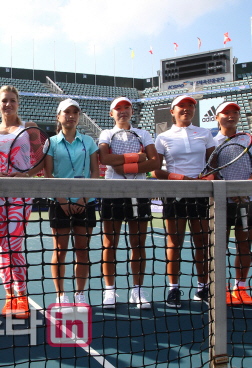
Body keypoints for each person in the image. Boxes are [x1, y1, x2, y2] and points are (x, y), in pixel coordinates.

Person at [0, 85, 42, 319]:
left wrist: (26, 174)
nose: (8, 104)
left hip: (21, 194)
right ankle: (10, 295)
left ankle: (21, 295)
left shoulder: (30, 129)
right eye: (4, 100)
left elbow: (42, 161)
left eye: (12, 100)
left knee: (12, 245)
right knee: (3, 246)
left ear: (19, 103)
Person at [152, 95, 215, 308]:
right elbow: (155, 170)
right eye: (181, 106)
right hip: (174, 193)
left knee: (202, 242)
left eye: (190, 106)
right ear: (172, 111)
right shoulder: (163, 137)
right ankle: (174, 289)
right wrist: (180, 178)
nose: (186, 109)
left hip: (200, 194)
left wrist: (208, 177)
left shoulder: (205, 134)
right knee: (174, 243)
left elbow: (213, 164)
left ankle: (202, 287)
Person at [98, 96, 160, 309]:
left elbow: (155, 162)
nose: (122, 111)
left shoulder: (144, 133)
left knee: (138, 244)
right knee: (110, 244)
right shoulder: (106, 133)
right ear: (111, 113)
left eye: (126, 108)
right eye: (118, 109)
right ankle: (110, 291)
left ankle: (137, 291)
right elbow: (105, 159)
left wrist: (124, 165)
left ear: (132, 112)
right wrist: (138, 158)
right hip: (112, 193)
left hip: (139, 192)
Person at [44, 99, 99, 311]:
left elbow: (95, 172)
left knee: (82, 250)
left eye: (75, 112)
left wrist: (85, 198)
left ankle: (80, 294)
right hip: (59, 204)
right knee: (60, 250)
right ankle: (61, 295)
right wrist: (62, 200)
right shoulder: (51, 142)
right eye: (67, 112)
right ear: (59, 116)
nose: (71, 115)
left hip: (87, 203)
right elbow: (48, 175)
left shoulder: (89, 142)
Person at [212, 102, 252, 306]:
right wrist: (228, 191)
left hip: (247, 201)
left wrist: (244, 190)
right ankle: (220, 287)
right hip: (221, 202)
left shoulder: (250, 139)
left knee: (244, 246)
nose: (231, 116)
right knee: (219, 247)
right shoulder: (211, 140)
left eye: (235, 112)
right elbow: (211, 169)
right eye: (226, 113)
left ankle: (240, 288)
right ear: (217, 117)